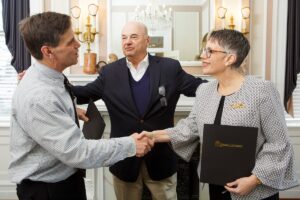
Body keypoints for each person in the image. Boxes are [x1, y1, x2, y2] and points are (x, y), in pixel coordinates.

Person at [9, 12, 153, 200]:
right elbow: (79, 152)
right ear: (48, 51)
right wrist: (130, 145)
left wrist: (67, 111)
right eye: (70, 42)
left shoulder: (49, 76)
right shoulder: (39, 96)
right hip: (48, 191)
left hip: (65, 181)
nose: (79, 44)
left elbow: (50, 106)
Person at [143, 29, 299, 200]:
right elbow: (190, 127)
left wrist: (254, 180)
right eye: (204, 50)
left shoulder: (261, 90)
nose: (203, 55)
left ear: (230, 58)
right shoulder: (204, 90)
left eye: (210, 51)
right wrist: (152, 136)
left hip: (255, 190)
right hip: (216, 184)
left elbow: (279, 143)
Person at [72, 21, 206, 200]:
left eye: (133, 37)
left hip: (161, 158)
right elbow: (82, 93)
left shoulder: (169, 68)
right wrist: (52, 82)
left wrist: (231, 83)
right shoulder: (109, 73)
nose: (127, 42)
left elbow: (201, 89)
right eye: (124, 37)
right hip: (124, 160)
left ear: (147, 40)